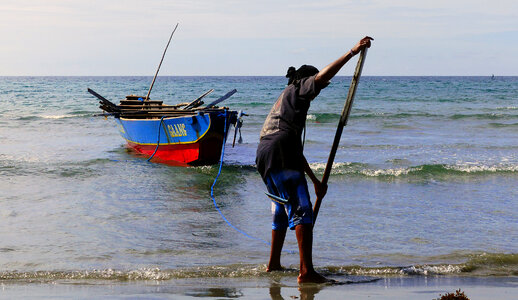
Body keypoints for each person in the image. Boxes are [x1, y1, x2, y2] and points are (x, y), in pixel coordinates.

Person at [256, 36, 373, 283]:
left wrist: (316, 181)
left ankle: (274, 264)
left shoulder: (285, 102)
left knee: (280, 208)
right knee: (302, 210)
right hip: (280, 151)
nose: (317, 93)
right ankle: (306, 272)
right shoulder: (299, 88)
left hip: (266, 154)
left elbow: (295, 152)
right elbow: (323, 78)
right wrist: (352, 52)